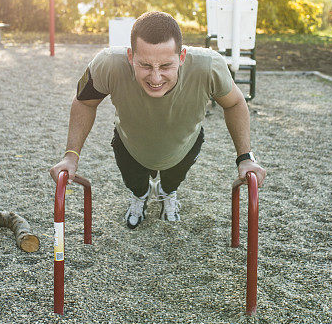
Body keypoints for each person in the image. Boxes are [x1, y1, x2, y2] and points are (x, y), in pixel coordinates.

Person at [48, 11, 266, 229]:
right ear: (130, 56)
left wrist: (245, 157)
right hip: (130, 144)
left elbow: (235, 103)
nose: (155, 78)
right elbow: (85, 102)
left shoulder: (208, 66)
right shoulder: (108, 64)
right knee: (136, 185)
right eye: (145, 65)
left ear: (181, 57)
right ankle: (139, 197)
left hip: (184, 144)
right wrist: (71, 156)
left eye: (165, 66)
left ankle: (167, 194)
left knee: (172, 183)